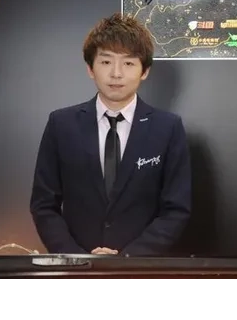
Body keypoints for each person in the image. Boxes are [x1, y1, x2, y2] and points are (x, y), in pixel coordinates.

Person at [30, 13, 191, 256]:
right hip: (76, 267)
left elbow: (176, 209)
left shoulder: (168, 128)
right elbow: (43, 205)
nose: (116, 73)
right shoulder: (61, 124)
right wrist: (75, 257)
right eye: (106, 62)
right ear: (90, 68)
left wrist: (128, 258)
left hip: (140, 268)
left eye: (128, 63)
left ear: (145, 70)